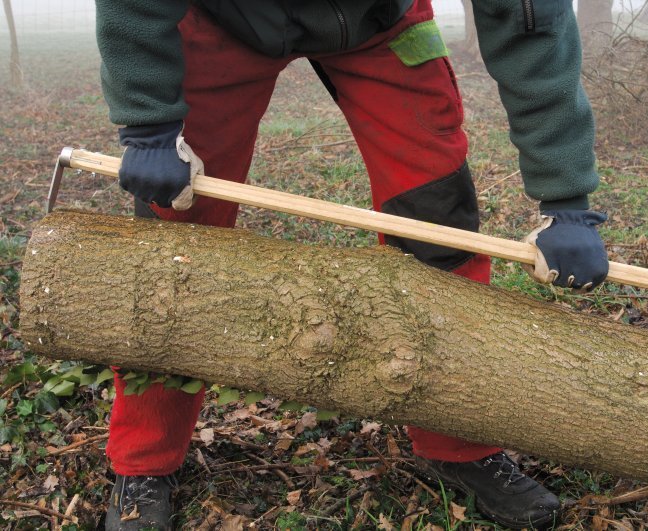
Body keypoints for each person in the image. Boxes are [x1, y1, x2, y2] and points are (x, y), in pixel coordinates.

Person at [94, 0, 608, 529]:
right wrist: (149, 123)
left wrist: (566, 200)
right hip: (222, 17)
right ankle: (144, 461)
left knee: (438, 220)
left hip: (379, 21)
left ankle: (459, 444)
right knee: (176, 233)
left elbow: (529, 19)